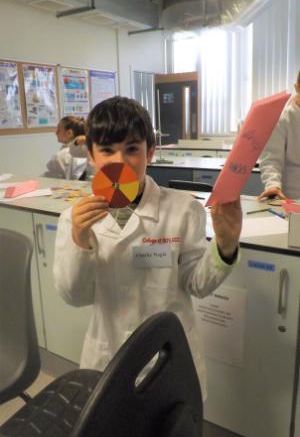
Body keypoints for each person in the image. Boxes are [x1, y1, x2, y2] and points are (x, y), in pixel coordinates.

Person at [53, 96, 242, 401]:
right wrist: (80, 238)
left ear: (150, 152)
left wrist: (226, 245)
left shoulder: (182, 210)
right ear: (90, 155)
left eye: (131, 149)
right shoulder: (74, 220)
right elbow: (73, 296)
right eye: (106, 150)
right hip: (107, 357)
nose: (119, 162)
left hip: (170, 359)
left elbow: (198, 284)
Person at [259, 70, 300, 200]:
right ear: (297, 87)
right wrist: (273, 185)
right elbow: (271, 159)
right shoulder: (282, 118)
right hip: (293, 195)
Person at [44, 116, 88, 180]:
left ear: (69, 133)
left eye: (58, 130)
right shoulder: (86, 150)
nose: (56, 133)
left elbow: (52, 179)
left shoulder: (60, 156)